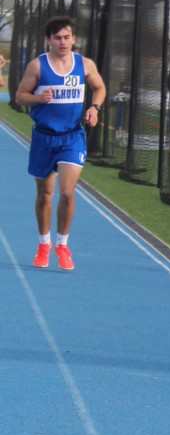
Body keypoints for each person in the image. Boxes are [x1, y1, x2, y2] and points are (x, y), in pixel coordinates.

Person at [15, 15, 106, 271]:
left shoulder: (85, 64)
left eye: (67, 37)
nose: (62, 42)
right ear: (48, 40)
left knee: (67, 192)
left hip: (72, 137)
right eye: (57, 38)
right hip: (44, 137)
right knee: (45, 195)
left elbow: (100, 88)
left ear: (74, 39)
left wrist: (95, 108)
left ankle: (62, 245)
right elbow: (20, 96)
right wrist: (38, 98)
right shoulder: (37, 66)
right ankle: (43, 243)